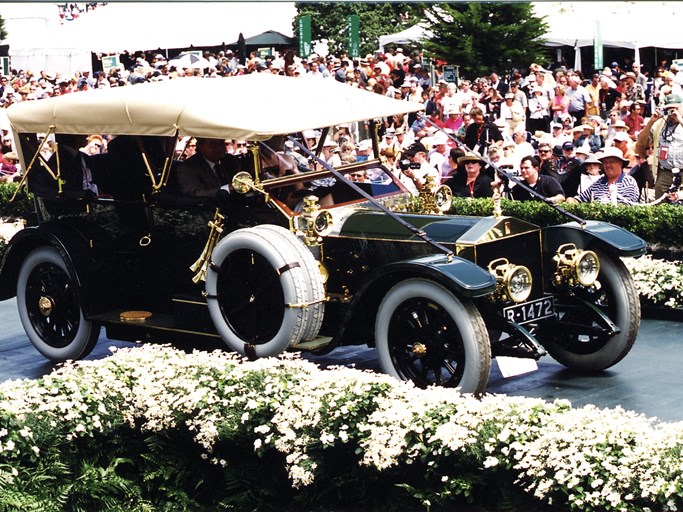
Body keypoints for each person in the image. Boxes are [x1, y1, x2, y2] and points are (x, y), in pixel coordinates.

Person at [635, 93, 683, 198]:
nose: (671, 113)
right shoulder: (660, 123)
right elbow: (641, 143)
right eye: (669, 109)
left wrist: (680, 119)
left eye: (675, 109)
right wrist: (651, 121)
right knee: (661, 205)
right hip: (665, 172)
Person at [567, 147, 640, 205]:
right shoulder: (599, 182)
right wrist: (572, 200)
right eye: (605, 162)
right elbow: (581, 198)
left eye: (611, 162)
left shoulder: (629, 182)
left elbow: (626, 207)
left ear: (620, 164)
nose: (608, 165)